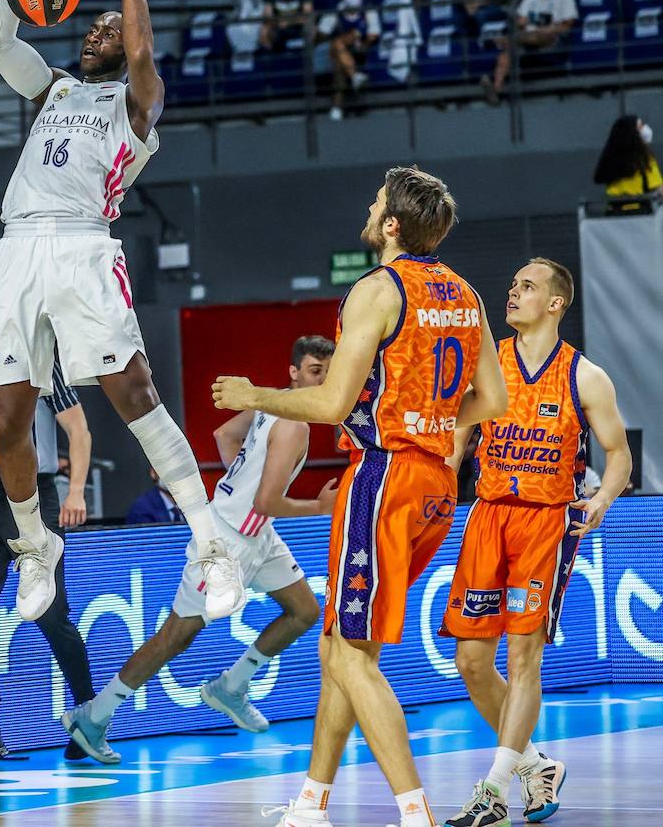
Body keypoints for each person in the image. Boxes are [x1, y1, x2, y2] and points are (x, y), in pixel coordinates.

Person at [213, 167, 508, 827]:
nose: (370, 208)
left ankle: (415, 815)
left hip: (383, 478)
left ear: (393, 225)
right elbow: (493, 400)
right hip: (435, 485)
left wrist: (252, 394)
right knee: (342, 649)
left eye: (378, 202)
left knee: (348, 653)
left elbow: (330, 402)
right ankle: (312, 806)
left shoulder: (377, 290)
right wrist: (434, 423)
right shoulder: (467, 295)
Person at [0, 0, 245, 626]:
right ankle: (35, 546)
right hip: (17, 251)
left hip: (84, 247)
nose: (98, 33)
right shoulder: (54, 92)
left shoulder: (136, 104)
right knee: (6, 414)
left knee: (131, 391)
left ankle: (211, 545)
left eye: (108, 28)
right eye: (91, 26)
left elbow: (141, 45)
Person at [63, 336, 337, 757]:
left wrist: (239, 484)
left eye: (329, 371)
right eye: (316, 371)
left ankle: (232, 686)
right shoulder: (294, 425)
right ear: (295, 372)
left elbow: (224, 434)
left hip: (255, 531)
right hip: (228, 540)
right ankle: (94, 714)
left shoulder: (273, 402)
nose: (324, 379)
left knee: (304, 611)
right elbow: (267, 500)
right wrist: (319, 506)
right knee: (176, 635)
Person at [439, 259, 631, 827]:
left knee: (524, 658)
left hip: (546, 525)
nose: (513, 291)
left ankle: (492, 792)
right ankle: (535, 765)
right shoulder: (487, 360)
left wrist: (599, 502)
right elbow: (458, 430)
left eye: (527, 286)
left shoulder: (585, 376)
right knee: (472, 662)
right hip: (487, 517)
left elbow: (617, 453)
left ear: (555, 303)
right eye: (513, 283)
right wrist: (442, 480)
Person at [0, 286, 100, 767]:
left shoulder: (44, 367)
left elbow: (79, 430)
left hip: (38, 492)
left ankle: (89, 721)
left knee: (53, 616)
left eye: (5, 312)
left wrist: (76, 490)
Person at [482, 0, 578, 103]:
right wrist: (529, 21)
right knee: (505, 56)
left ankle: (508, 39)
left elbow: (568, 24)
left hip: (553, 39)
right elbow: (520, 20)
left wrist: (534, 20)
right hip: (527, 40)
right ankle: (496, 89)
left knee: (540, 33)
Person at [317, 0, 381, 121]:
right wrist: (344, 37)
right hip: (335, 51)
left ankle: (337, 107)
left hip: (359, 50)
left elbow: (373, 35)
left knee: (339, 62)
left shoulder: (368, 10)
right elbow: (321, 34)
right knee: (337, 45)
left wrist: (357, 39)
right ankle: (354, 77)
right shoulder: (336, 10)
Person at [593, 114, 662, 197]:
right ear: (633, 133)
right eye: (640, 127)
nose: (644, 129)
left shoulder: (611, 159)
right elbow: (659, 188)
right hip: (641, 206)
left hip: (615, 207)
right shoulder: (643, 158)